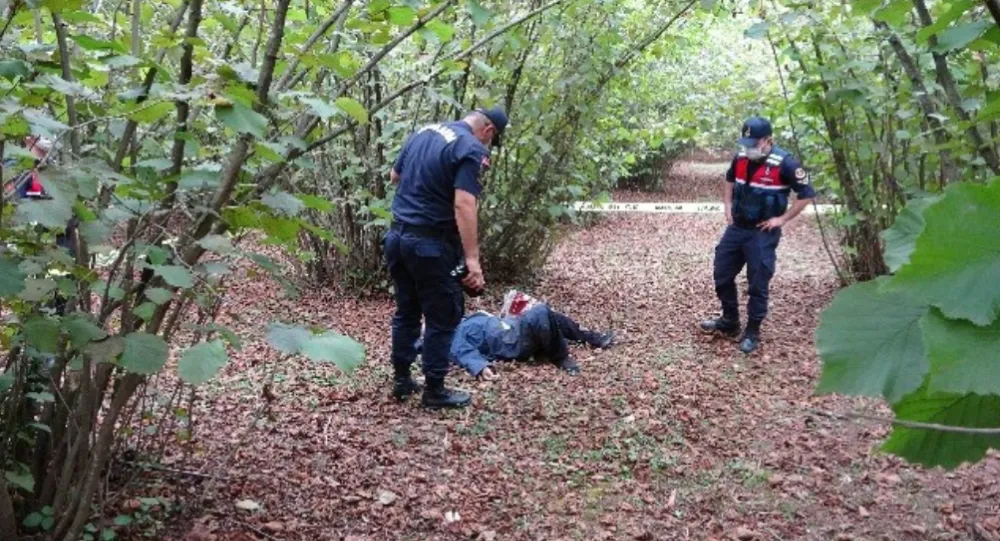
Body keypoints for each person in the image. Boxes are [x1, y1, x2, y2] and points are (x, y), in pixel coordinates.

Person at [384, 107, 508, 409]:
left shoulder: (425, 131)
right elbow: (464, 204)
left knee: (407, 311)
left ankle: (402, 381)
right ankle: (435, 391)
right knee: (443, 316)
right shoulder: (470, 148)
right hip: (430, 244)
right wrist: (473, 260)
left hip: (397, 238)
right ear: (488, 131)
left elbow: (394, 176)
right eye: (492, 141)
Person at [700, 117, 815, 354]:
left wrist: (781, 219)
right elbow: (729, 180)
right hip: (737, 228)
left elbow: (806, 194)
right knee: (721, 273)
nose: (749, 148)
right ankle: (730, 320)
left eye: (754, 143)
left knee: (758, 282)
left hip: (762, 232)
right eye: (746, 142)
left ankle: (752, 331)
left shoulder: (786, 163)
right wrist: (727, 206)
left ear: (768, 141)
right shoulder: (740, 158)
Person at [417, 304, 615, 379]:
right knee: (541, 312)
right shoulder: (453, 338)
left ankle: (594, 338)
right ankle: (561, 357)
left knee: (551, 317)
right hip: (513, 342)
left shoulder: (464, 320)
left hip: (514, 328)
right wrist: (482, 368)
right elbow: (465, 354)